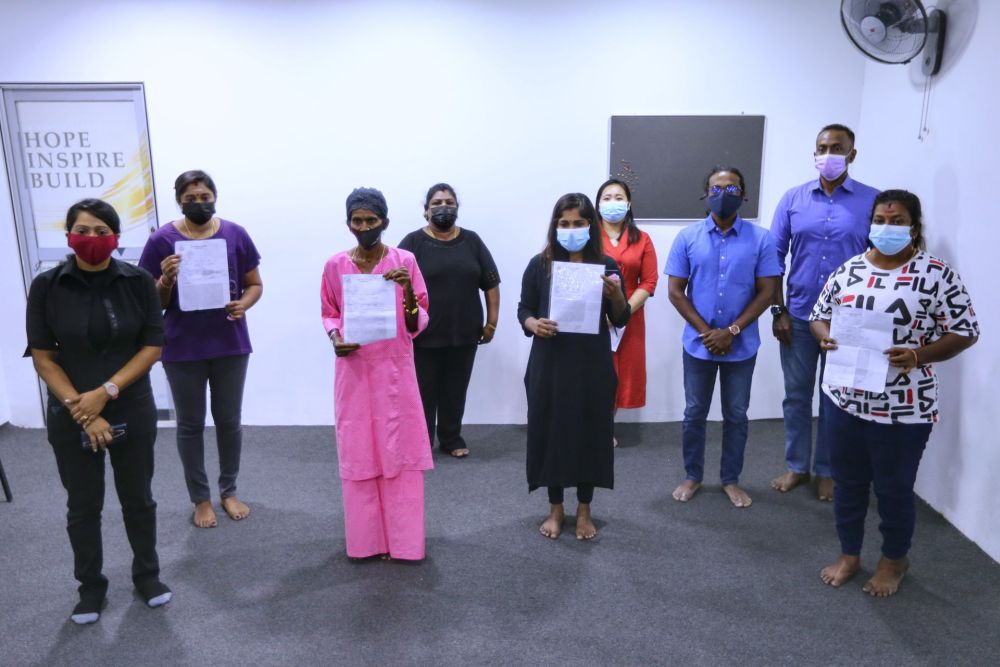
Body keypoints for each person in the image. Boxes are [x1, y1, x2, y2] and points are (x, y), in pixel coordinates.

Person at [811, 190, 979, 597]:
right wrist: (826, 338)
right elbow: (819, 316)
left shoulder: (937, 274)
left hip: (903, 409)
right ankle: (850, 553)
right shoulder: (849, 270)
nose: (887, 228)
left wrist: (919, 355)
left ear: (914, 228)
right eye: (881, 221)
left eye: (897, 220)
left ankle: (893, 560)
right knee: (848, 484)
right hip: (844, 400)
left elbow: (965, 331)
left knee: (893, 489)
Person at [26, 199, 172, 625]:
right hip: (72, 411)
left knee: (138, 499)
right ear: (69, 235)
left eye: (101, 231)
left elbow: (152, 347)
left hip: (130, 403)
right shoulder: (47, 286)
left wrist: (105, 393)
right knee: (83, 505)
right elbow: (43, 357)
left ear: (116, 237)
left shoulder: (139, 281)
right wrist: (84, 408)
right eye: (82, 230)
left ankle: (147, 576)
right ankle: (90, 587)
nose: (91, 239)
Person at [139, 170, 263, 528]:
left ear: (215, 197)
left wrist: (244, 304)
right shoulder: (162, 239)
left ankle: (229, 491)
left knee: (229, 421)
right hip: (181, 345)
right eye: (190, 198)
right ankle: (200, 498)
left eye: (205, 196)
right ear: (179, 199)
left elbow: (254, 284)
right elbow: (155, 302)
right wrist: (165, 280)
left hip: (230, 342)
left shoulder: (235, 234)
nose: (198, 203)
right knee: (191, 425)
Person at [321, 187, 434, 560]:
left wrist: (406, 292)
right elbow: (330, 312)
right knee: (359, 449)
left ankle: (403, 544)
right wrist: (336, 337)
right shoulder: (336, 265)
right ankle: (366, 542)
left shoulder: (406, 262)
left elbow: (418, 322)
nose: (365, 226)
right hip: (353, 371)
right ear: (348, 223)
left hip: (395, 371)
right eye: (358, 220)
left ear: (385, 221)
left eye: (372, 220)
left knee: (398, 450)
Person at [770, 124, 880, 501]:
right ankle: (797, 466)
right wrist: (777, 310)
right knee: (797, 395)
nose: (828, 154)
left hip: (848, 320)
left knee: (836, 398)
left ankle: (829, 469)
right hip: (798, 315)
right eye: (822, 147)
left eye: (837, 148)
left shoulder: (871, 202)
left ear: (852, 153)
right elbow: (773, 260)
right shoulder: (793, 199)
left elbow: (880, 259)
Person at [665, 166, 781, 508]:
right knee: (694, 412)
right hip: (698, 345)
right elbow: (675, 290)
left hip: (741, 345)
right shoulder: (687, 238)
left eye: (732, 189)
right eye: (717, 188)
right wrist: (707, 332)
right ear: (706, 194)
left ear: (743, 195)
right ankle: (693, 476)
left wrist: (732, 331)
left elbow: (768, 291)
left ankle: (730, 479)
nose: (724, 194)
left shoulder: (761, 239)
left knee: (736, 413)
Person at [517, 193, 630, 540]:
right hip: (549, 363)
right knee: (550, 432)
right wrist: (533, 324)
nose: (571, 229)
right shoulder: (540, 264)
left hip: (591, 364)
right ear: (555, 227)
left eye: (578, 223)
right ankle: (555, 508)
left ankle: (584, 509)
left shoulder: (607, 266)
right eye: (564, 224)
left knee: (589, 434)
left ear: (590, 225)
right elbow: (524, 309)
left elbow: (621, 316)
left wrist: (615, 295)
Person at [398, 183, 501, 458]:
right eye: (436, 203)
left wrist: (492, 323)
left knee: (456, 389)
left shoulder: (473, 241)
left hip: (465, 332)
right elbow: (396, 285)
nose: (443, 207)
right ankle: (420, 442)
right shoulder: (412, 243)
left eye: (449, 202)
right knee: (423, 392)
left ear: (457, 208)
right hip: (423, 335)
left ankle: (451, 438)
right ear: (425, 211)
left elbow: (491, 283)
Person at [596, 179, 659, 445]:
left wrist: (623, 311)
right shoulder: (588, 235)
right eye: (607, 197)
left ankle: (605, 427)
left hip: (630, 318)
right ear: (598, 204)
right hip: (594, 318)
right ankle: (591, 425)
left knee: (621, 374)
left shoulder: (642, 239)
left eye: (618, 197)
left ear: (629, 203)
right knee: (596, 371)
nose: (613, 202)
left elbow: (649, 281)